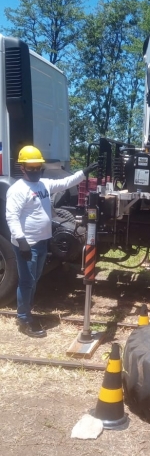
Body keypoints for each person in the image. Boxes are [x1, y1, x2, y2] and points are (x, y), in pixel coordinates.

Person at [6, 145, 98, 338]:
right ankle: (24, 319)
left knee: (34, 279)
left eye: (37, 166)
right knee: (26, 281)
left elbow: (66, 182)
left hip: (41, 242)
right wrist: (21, 241)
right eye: (30, 167)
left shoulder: (43, 185)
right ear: (22, 168)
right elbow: (12, 217)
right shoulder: (17, 190)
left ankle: (28, 311)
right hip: (27, 244)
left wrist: (84, 172)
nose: (35, 170)